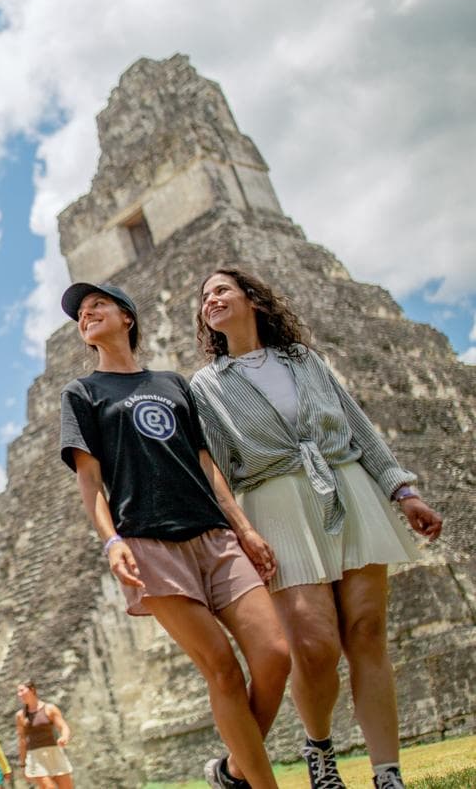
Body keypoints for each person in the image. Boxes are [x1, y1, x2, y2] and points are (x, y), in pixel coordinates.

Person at [191, 267, 444, 789]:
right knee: (314, 645)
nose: (210, 300)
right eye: (204, 296)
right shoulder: (207, 385)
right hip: (276, 502)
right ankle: (320, 747)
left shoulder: (304, 360)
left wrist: (403, 490)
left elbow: (358, 427)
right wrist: (239, 529)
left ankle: (386, 772)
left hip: (348, 487)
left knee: (368, 631)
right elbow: (213, 466)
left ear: (252, 300)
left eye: (221, 290)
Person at [58, 281, 290, 789]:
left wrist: (245, 530)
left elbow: (207, 464)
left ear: (128, 317)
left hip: (213, 536)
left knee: (275, 654)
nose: (86, 313)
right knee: (223, 670)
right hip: (147, 543)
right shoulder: (82, 393)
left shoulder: (173, 384)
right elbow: (90, 481)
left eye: (98, 304)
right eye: (80, 312)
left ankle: (232, 769)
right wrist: (111, 541)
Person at [14, 681, 73, 788]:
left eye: (22, 690)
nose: (19, 694)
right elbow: (22, 741)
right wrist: (23, 764)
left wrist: (64, 737)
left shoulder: (49, 709)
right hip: (35, 757)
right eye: (18, 692)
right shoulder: (20, 715)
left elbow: (63, 727)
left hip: (54, 753)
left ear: (32, 690)